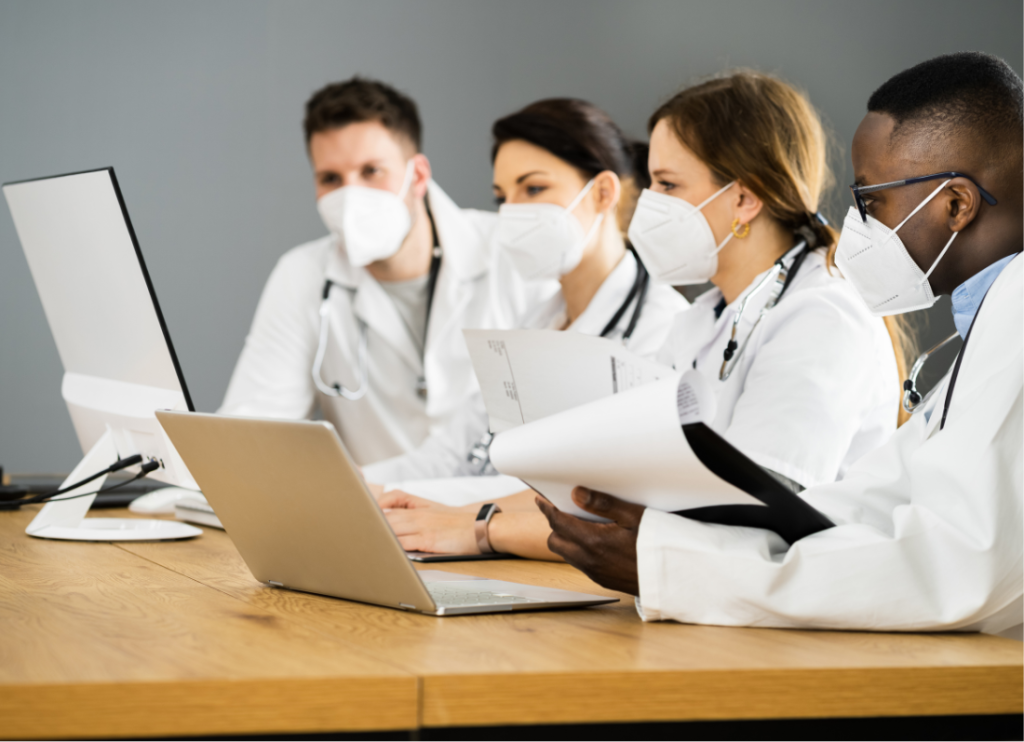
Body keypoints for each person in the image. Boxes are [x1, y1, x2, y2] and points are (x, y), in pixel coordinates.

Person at [540, 52, 1023, 638]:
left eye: (872, 201)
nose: (859, 224)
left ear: (956, 204)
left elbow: (960, 570)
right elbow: (871, 501)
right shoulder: (990, 321)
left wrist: (674, 565)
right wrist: (676, 539)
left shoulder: (1009, 321)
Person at [382, 72, 910, 560]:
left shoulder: (821, 317)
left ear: (744, 198)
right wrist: (456, 516)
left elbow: (744, 522)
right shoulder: (702, 321)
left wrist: (482, 530)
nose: (647, 203)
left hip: (797, 614)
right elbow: (606, 487)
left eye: (668, 185)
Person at [361, 98, 687, 486]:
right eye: (502, 197)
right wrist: (346, 485)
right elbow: (449, 455)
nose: (511, 213)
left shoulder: (663, 326)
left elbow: (599, 492)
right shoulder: (536, 322)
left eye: (533, 188)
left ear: (602, 193)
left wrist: (459, 514)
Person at [220, 78, 539, 467]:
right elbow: (251, 433)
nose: (350, 196)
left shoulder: (511, 254)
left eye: (372, 171)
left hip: (493, 517)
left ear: (418, 176)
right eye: (330, 179)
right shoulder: (303, 274)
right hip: (377, 516)